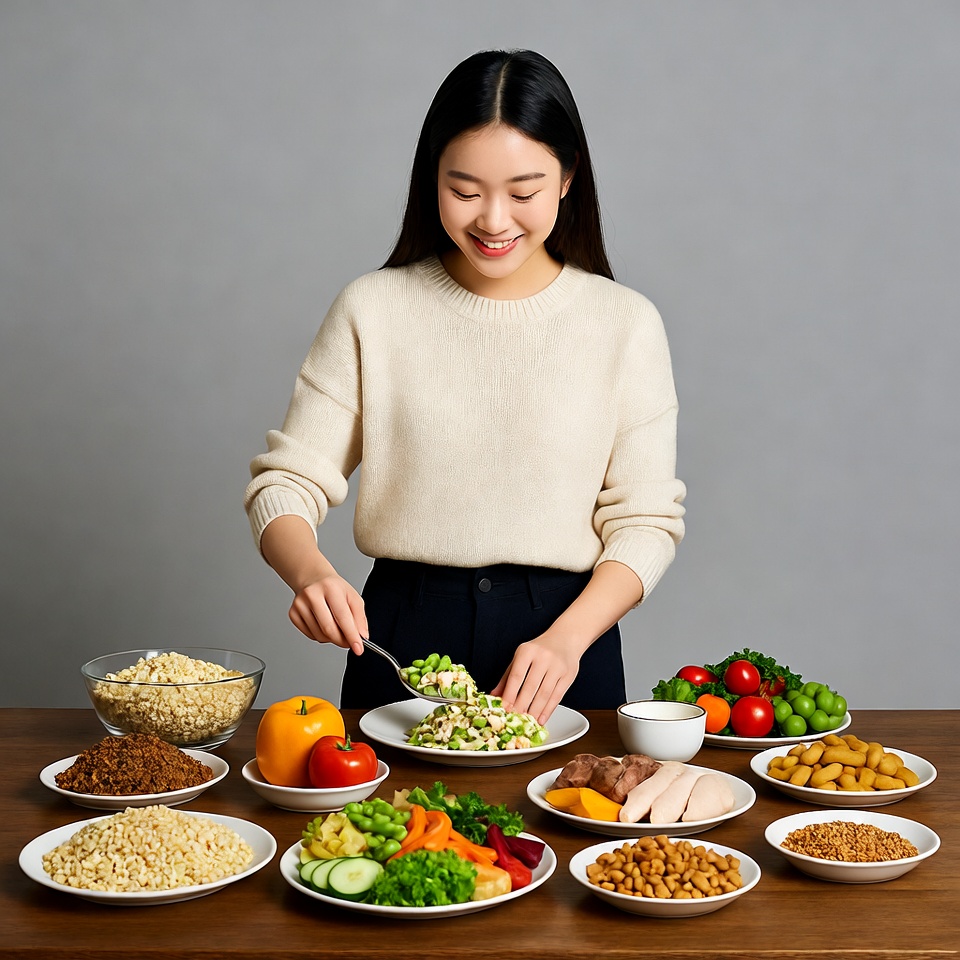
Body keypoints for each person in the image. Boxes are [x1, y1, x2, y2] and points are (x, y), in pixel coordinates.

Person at [244, 49, 686, 724]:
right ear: (432, 179)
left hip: (566, 644)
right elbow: (285, 483)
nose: (494, 220)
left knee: (569, 828)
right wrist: (310, 574)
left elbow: (646, 520)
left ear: (568, 178)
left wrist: (569, 640)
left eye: (524, 191)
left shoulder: (624, 323)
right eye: (466, 190)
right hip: (400, 636)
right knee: (385, 832)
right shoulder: (374, 307)